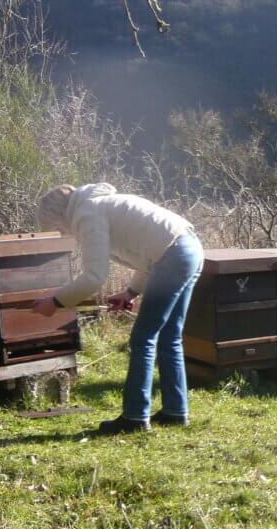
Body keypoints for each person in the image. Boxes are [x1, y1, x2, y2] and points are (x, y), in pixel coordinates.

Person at [35, 183, 204, 434]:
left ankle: (135, 417)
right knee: (169, 337)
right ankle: (175, 412)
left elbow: (94, 276)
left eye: (56, 225)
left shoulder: (86, 213)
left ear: (59, 215)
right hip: (189, 250)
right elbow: (150, 253)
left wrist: (57, 301)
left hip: (174, 256)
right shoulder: (101, 205)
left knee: (142, 338)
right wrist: (130, 292)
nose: (61, 230)